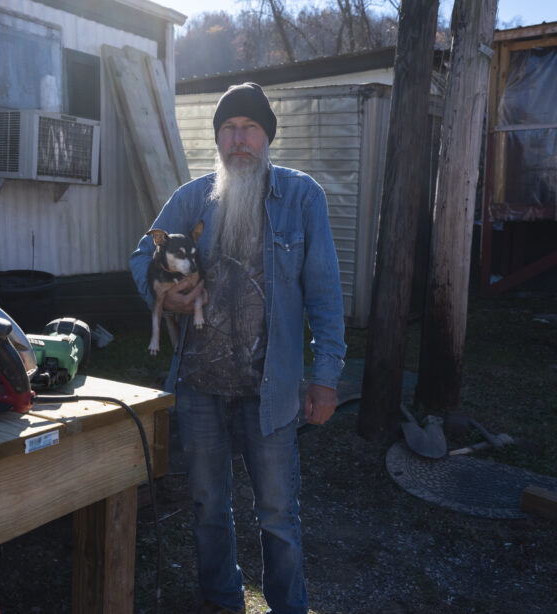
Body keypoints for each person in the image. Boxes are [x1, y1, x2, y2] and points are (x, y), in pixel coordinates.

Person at [130, 82, 346, 614]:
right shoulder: (192, 198)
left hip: (269, 389)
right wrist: (166, 296)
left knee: (277, 511)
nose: (239, 140)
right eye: (228, 129)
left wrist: (325, 376)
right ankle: (222, 600)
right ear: (219, 140)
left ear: (267, 137)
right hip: (200, 386)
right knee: (207, 505)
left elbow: (324, 290)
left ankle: (287, 606)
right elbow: (142, 255)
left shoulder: (301, 197)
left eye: (249, 128)